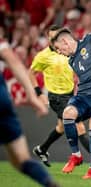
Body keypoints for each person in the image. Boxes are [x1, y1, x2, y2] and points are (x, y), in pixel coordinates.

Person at [29, 25, 91, 170]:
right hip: (56, 96)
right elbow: (31, 73)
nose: (55, 42)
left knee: (61, 127)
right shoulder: (43, 56)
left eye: (57, 36)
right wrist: (39, 93)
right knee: (78, 126)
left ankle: (42, 149)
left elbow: (80, 72)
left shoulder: (71, 55)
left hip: (70, 93)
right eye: (52, 37)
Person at [50, 24, 91, 179]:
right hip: (84, 97)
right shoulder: (71, 60)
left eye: (59, 48)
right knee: (67, 113)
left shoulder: (89, 41)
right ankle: (76, 155)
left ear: (65, 41)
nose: (59, 52)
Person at [0, 38, 59, 186]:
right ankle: (49, 184)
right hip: (2, 98)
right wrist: (32, 96)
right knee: (21, 159)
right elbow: (11, 59)